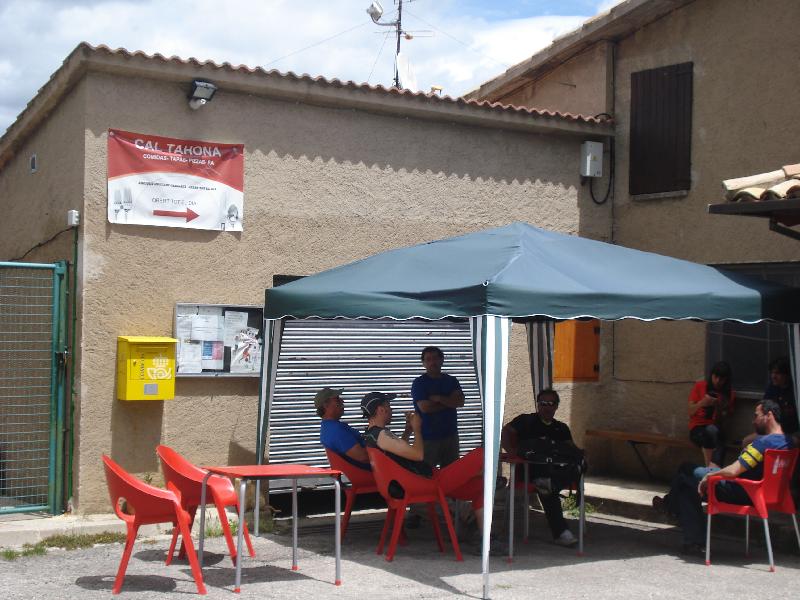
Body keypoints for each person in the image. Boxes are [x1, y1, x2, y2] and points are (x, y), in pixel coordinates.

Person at [360, 391, 500, 552]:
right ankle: (488, 477)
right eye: (388, 406)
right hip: (430, 482)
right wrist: (418, 430)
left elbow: (398, 453)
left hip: (423, 480)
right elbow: (418, 455)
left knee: (480, 488)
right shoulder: (382, 435)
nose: (391, 409)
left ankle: (485, 538)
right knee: (481, 453)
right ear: (381, 410)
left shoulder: (373, 435)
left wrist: (408, 431)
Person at [652, 399, 794, 555]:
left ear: (769, 415)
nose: (753, 421)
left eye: (756, 416)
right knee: (687, 481)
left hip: (742, 490)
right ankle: (691, 541)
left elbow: (733, 471)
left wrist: (711, 475)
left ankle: (671, 507)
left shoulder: (762, 444)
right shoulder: (789, 442)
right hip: (765, 494)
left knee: (686, 474)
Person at [500, 388, 580, 547]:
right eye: (543, 403)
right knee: (546, 486)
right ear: (538, 405)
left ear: (556, 406)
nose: (547, 407)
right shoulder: (526, 421)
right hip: (530, 470)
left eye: (551, 404)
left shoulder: (561, 428)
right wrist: (511, 451)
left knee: (568, 473)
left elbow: (572, 450)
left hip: (556, 472)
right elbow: (505, 431)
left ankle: (550, 485)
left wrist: (581, 453)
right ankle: (561, 533)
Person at [411, 346, 464, 469]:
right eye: (428, 359)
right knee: (426, 474)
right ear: (423, 363)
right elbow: (425, 408)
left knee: (451, 473)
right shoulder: (419, 383)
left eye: (435, 358)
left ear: (442, 360)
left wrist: (439, 398)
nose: (432, 362)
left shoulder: (452, 381)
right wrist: (449, 401)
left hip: (450, 436)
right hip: (428, 438)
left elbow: (460, 402)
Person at [687, 361, 735, 467]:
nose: (717, 381)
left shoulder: (728, 394)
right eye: (715, 377)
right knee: (709, 436)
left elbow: (722, 421)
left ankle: (713, 471)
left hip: (715, 428)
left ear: (726, 380)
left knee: (717, 437)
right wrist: (702, 403)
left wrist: (718, 406)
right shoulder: (700, 386)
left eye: (721, 379)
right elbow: (690, 411)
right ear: (711, 375)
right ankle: (711, 471)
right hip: (697, 427)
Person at [315, 387, 370, 471]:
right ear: (326, 405)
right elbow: (363, 457)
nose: (342, 401)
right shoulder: (336, 430)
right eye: (337, 399)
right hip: (370, 473)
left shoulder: (328, 427)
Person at [763, 357, 798, 436]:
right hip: (773, 430)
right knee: (747, 440)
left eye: (777, 373)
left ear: (786, 375)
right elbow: (764, 407)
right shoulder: (772, 388)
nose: (773, 376)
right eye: (772, 373)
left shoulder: (795, 391)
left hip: (793, 433)